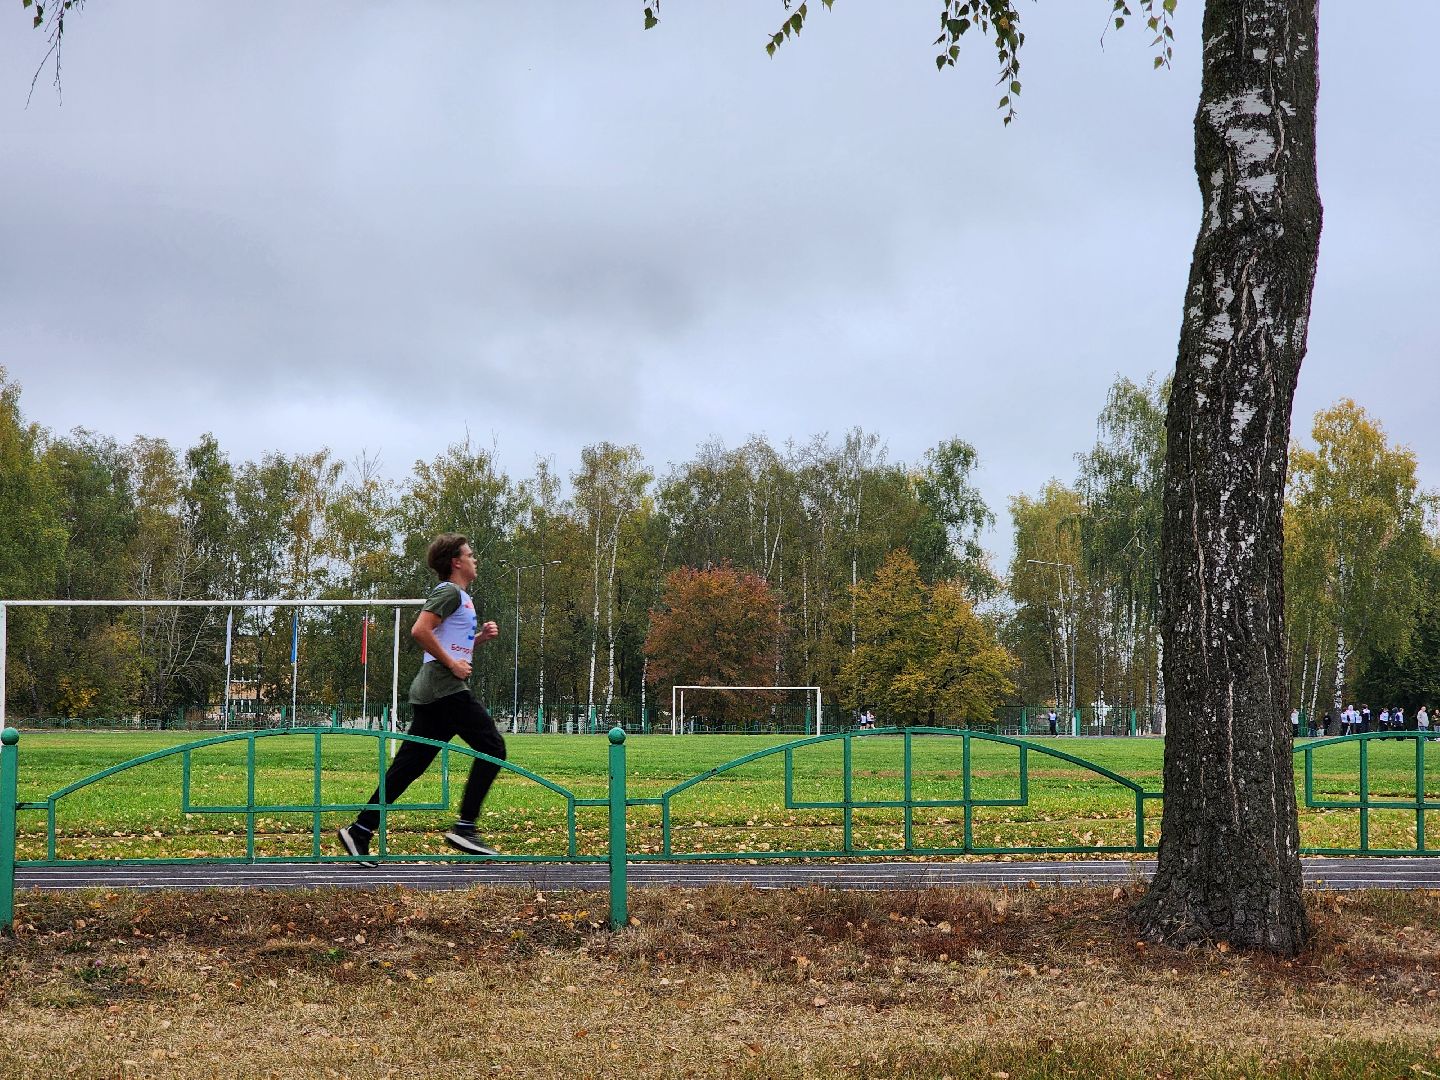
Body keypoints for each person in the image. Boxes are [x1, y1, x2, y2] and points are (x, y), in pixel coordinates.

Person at [338, 533, 506, 867]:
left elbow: (452, 645)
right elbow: (420, 631)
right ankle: (465, 827)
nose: (475, 560)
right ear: (456, 562)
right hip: (444, 691)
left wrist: (478, 641)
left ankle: (360, 829)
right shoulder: (448, 592)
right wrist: (452, 664)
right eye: (470, 555)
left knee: (409, 766)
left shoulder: (460, 597)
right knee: (493, 747)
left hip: (433, 692)